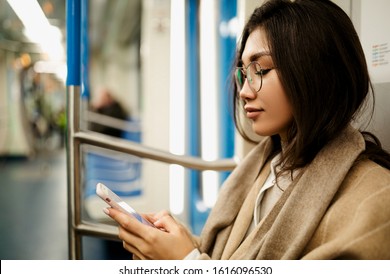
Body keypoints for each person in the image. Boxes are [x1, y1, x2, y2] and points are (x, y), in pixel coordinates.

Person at [103, 0, 390, 259]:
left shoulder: (377, 200)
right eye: (243, 73)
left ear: (317, 72)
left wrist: (187, 263)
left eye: (261, 70)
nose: (244, 92)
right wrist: (177, 245)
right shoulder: (268, 168)